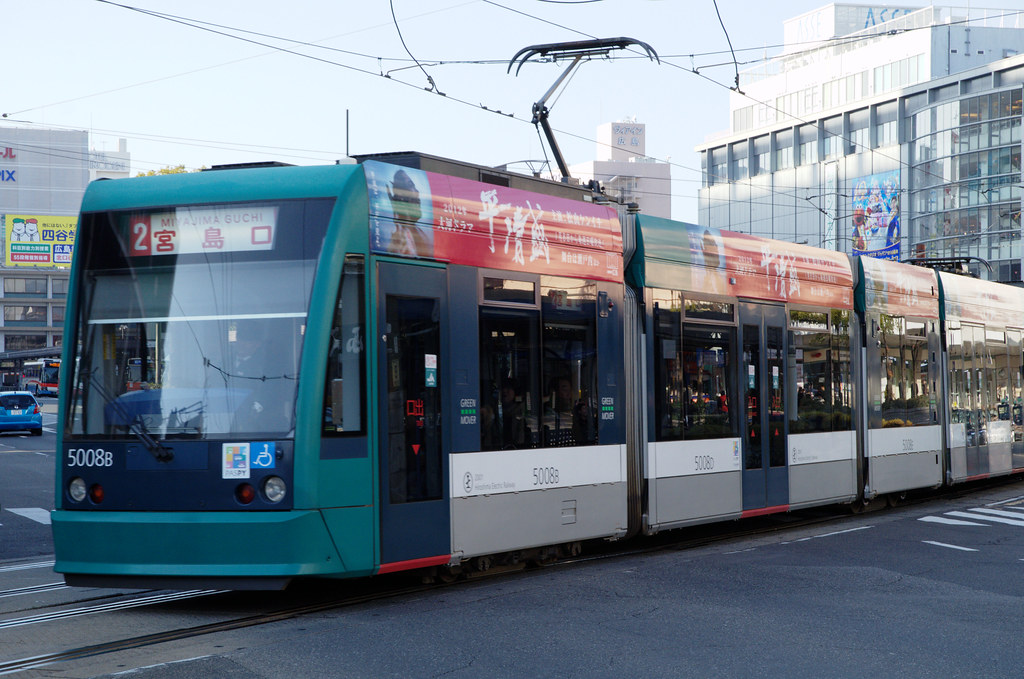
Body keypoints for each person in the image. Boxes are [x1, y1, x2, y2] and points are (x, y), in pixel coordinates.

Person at [386, 169, 431, 258]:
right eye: (411, 185)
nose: (417, 191)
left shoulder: (417, 231)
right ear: (401, 197)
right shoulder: (400, 241)